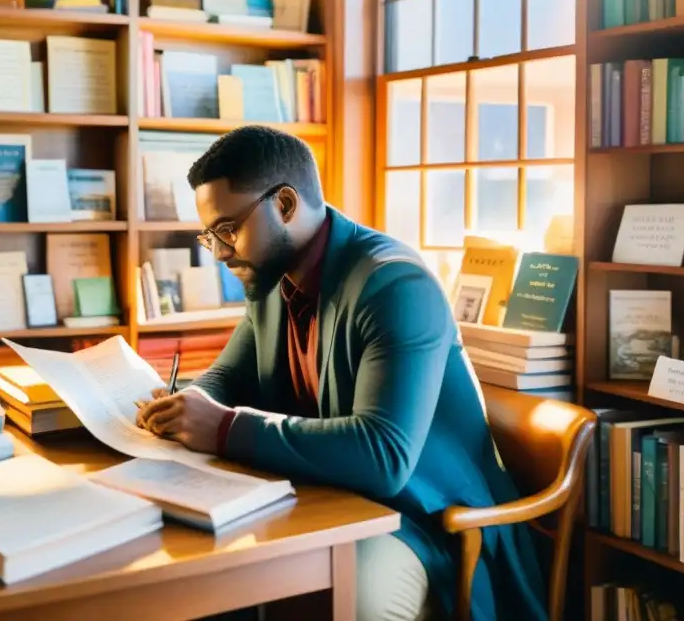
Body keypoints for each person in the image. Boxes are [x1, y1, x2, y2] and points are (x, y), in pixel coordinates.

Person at [135, 126, 547, 621]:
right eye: (211, 236)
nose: (221, 252)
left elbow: (384, 456)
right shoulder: (273, 278)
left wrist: (221, 427)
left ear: (285, 205)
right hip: (330, 497)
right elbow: (228, 379)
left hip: (427, 519)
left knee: (349, 601)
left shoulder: (396, 285)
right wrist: (182, 406)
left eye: (228, 230)